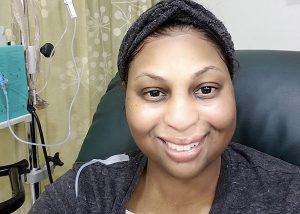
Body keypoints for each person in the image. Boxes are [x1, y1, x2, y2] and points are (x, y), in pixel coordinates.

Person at [30, 0, 300, 213]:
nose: (181, 120)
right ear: (126, 99)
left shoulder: (289, 195)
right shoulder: (81, 194)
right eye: (154, 92)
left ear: (231, 89)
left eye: (206, 89)